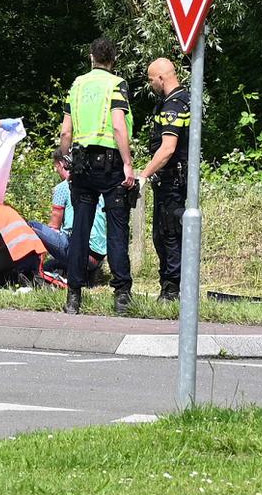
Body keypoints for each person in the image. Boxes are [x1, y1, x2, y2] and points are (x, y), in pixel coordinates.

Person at [56, 37, 136, 315]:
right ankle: (122, 296)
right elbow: (118, 126)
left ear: (91, 57)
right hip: (110, 165)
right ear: (112, 60)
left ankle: (73, 297)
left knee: (80, 230)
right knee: (116, 229)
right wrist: (128, 163)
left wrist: (62, 158)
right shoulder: (116, 84)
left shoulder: (76, 85)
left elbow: (66, 132)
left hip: (81, 166)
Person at [139, 58, 191, 300]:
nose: (151, 85)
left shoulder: (174, 104)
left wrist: (144, 174)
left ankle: (171, 291)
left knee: (169, 234)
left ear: (161, 77)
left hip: (173, 181)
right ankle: (169, 288)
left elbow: (168, 148)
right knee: (165, 234)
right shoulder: (183, 99)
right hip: (172, 180)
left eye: (151, 80)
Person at [30, 146, 107, 282]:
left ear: (61, 164)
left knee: (30, 226)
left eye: (56, 167)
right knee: (51, 265)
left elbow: (54, 226)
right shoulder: (95, 185)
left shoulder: (63, 187)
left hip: (81, 252)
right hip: (99, 256)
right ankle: (84, 273)